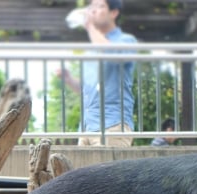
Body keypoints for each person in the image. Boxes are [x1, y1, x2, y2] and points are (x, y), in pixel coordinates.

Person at [57, 0, 137, 147]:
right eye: (92, 6)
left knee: (111, 171)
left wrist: (89, 27)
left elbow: (111, 54)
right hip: (86, 128)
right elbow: (85, 89)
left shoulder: (126, 40)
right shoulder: (91, 50)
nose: (92, 11)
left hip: (113, 125)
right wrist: (68, 79)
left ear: (114, 13)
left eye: (100, 6)